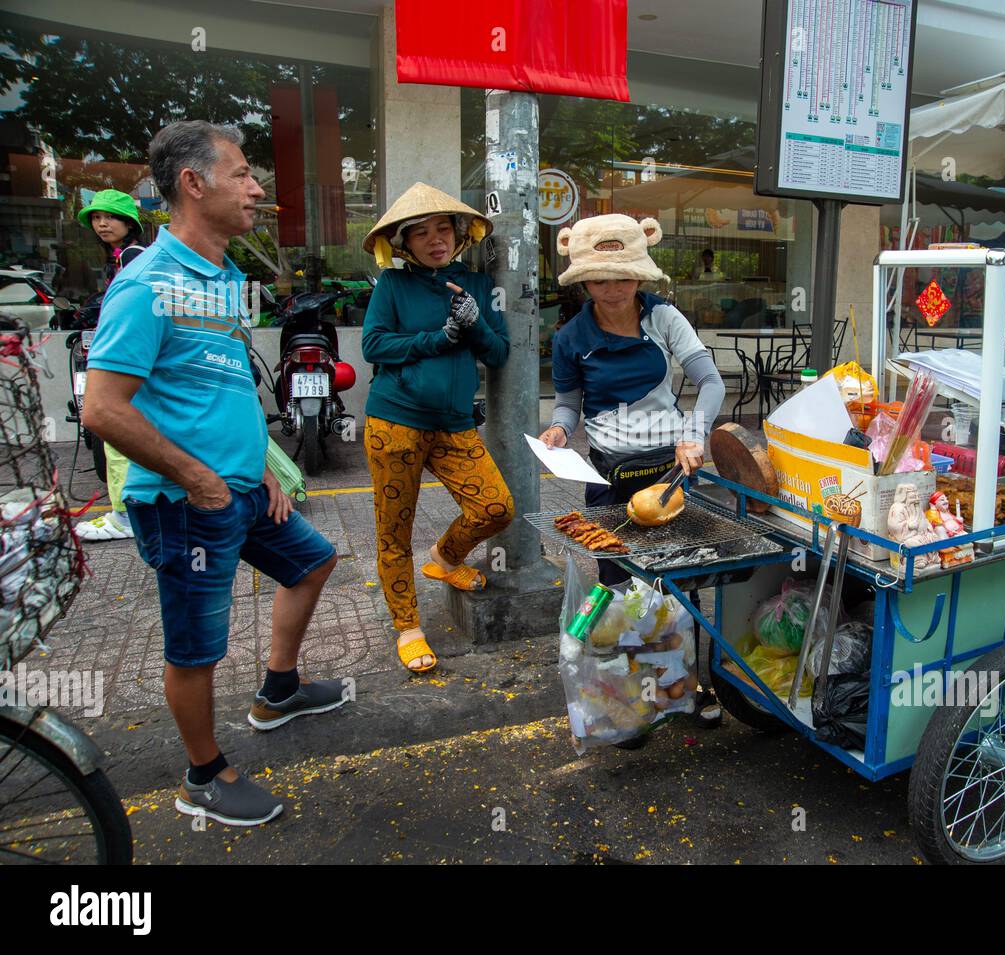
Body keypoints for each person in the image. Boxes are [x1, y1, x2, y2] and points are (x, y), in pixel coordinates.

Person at [82, 121, 345, 827]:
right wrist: (198, 479)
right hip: (184, 501)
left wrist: (262, 465)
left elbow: (226, 386)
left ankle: (279, 691)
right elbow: (102, 408)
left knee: (313, 562)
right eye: (242, 174)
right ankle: (203, 775)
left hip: (242, 487)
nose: (257, 188)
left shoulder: (224, 277)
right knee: (196, 648)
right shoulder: (147, 284)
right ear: (193, 184)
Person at [537, 213, 726, 727]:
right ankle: (629, 691)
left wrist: (695, 432)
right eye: (600, 279)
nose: (613, 288)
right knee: (620, 582)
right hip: (610, 478)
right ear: (583, 281)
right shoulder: (571, 337)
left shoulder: (664, 318)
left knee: (676, 579)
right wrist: (558, 430)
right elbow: (568, 404)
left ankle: (686, 685)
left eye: (623, 276)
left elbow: (710, 383)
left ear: (639, 274)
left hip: (670, 471)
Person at [360, 183, 513, 674]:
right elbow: (373, 346)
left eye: (443, 228)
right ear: (404, 243)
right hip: (394, 421)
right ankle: (407, 626)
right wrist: (439, 337)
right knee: (393, 531)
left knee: (495, 508)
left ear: (459, 233)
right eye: (421, 233)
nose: (435, 240)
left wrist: (475, 323)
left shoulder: (477, 285)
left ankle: (444, 559)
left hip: (454, 424)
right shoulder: (392, 285)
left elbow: (499, 353)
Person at [73, 189, 149, 543]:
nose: (102, 223)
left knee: (118, 437)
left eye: (110, 217)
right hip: (129, 357)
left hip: (129, 360)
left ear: (129, 223)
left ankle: (126, 516)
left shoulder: (134, 256)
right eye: (96, 218)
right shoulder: (121, 257)